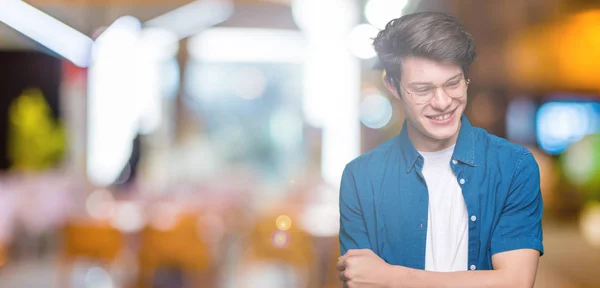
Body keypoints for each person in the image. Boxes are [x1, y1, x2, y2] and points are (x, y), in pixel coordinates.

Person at [336, 12, 543, 288]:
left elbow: (516, 283)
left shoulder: (514, 166)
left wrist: (391, 276)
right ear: (393, 87)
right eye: (422, 90)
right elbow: (360, 280)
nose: (443, 102)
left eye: (453, 83)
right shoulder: (360, 177)